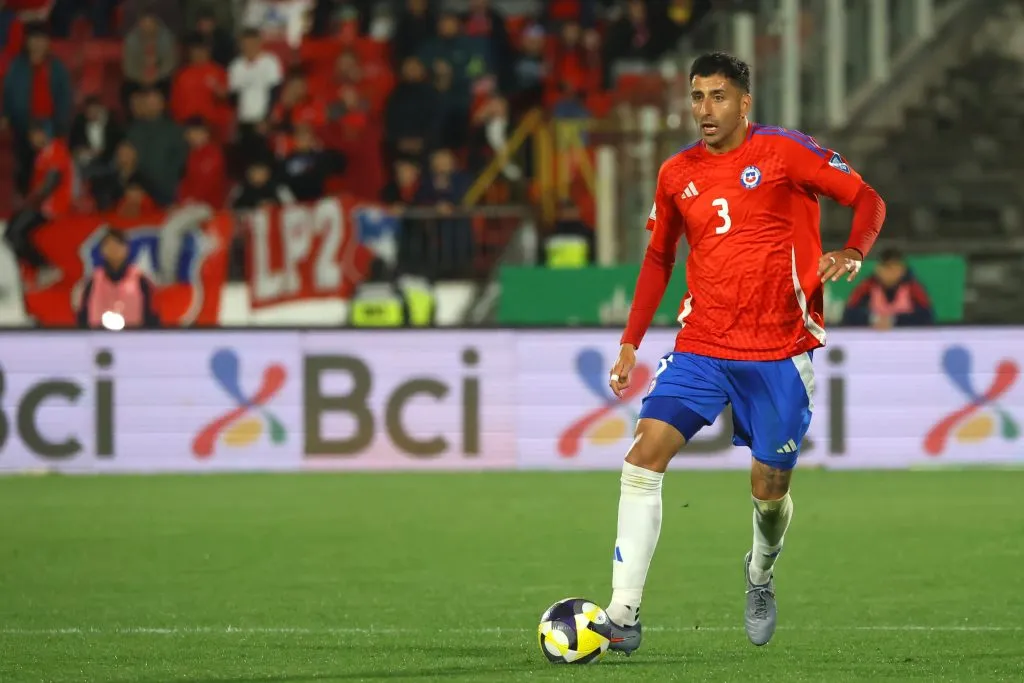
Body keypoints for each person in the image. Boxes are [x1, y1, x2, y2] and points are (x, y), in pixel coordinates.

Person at [601, 52, 886, 653]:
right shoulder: (677, 173)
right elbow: (658, 260)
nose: (705, 109)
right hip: (703, 342)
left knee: (769, 491)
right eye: (698, 96)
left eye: (718, 97)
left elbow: (867, 200)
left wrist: (854, 251)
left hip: (779, 349)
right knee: (642, 457)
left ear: (744, 102)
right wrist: (631, 341)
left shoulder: (786, 153)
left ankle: (761, 571)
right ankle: (622, 615)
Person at [77, 229, 160, 329]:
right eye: (109, 245)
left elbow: (151, 313)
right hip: (98, 337)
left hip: (133, 337)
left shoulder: (140, 280)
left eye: (118, 245)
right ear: (102, 250)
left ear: (127, 249)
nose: (113, 249)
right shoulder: (92, 281)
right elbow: (82, 315)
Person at [841, 247, 934, 328]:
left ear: (903, 269)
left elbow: (926, 316)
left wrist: (894, 320)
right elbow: (849, 315)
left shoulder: (913, 288)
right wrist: (873, 319)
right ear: (878, 269)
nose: (891, 273)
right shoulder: (866, 287)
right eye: (887, 268)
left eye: (896, 268)